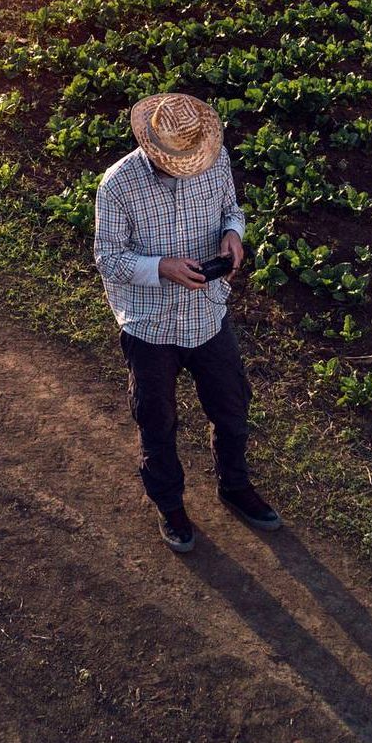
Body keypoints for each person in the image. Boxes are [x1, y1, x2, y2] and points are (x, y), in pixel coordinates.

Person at [93, 91, 282, 552]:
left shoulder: (215, 159)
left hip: (208, 315)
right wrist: (162, 268)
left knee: (233, 408)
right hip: (149, 325)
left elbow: (230, 210)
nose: (190, 170)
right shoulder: (117, 185)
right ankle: (170, 506)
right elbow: (108, 259)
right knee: (156, 422)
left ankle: (235, 487)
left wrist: (232, 237)